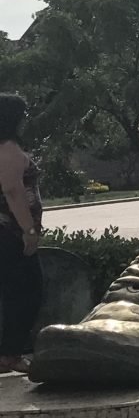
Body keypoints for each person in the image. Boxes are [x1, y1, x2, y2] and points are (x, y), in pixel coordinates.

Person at [0, 94, 43, 375]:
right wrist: (28, 231)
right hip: (10, 233)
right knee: (28, 291)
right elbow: (13, 191)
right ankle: (10, 355)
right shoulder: (8, 150)